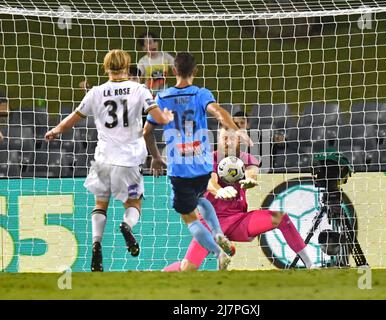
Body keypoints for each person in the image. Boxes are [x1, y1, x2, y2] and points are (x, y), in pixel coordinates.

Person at [45, 49, 174, 272]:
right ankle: (126, 225)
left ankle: (96, 244)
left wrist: (55, 131)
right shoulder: (139, 89)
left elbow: (72, 119)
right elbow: (159, 118)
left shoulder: (96, 92)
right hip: (129, 161)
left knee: (100, 205)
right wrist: (168, 116)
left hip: (103, 159)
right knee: (133, 204)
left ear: (106, 68)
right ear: (127, 66)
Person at [143, 52, 253, 270]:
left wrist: (155, 158)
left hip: (179, 168)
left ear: (173, 71)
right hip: (202, 166)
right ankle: (219, 233)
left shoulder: (162, 98)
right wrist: (236, 130)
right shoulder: (202, 94)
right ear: (195, 71)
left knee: (190, 218)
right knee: (201, 198)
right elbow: (219, 113)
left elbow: (146, 132)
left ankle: (218, 252)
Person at [161, 127, 313, 271]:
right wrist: (218, 190)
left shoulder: (246, 158)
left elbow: (251, 171)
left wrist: (250, 180)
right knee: (189, 268)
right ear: (218, 140)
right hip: (212, 222)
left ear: (239, 140)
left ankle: (311, 266)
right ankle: (163, 273)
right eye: (224, 138)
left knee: (281, 218)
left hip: (239, 220)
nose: (228, 142)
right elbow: (210, 181)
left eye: (232, 139)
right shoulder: (209, 159)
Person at [137, 31, 175, 96]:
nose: (153, 44)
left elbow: (177, 67)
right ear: (144, 48)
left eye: (155, 41)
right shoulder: (142, 62)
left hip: (164, 95)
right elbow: (138, 79)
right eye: (149, 43)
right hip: (149, 96)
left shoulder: (165, 56)